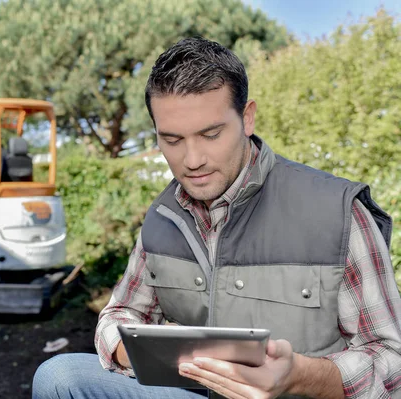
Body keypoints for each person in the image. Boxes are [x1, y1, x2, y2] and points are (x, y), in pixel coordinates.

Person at [32, 37, 401, 399]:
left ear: (247, 117)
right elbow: (120, 313)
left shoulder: (335, 211)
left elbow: (392, 360)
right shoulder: (163, 217)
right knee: (58, 376)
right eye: (172, 140)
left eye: (210, 134)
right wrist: (148, 353)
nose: (192, 160)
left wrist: (300, 377)